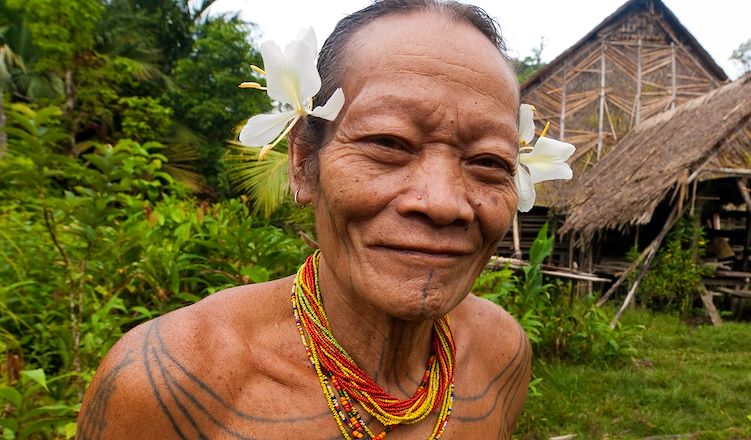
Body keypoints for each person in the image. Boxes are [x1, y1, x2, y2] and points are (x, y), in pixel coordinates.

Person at [76, 1, 573, 438]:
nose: (443, 203)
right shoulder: (167, 385)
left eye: (488, 161)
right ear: (302, 163)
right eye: (387, 144)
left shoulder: (501, 355)